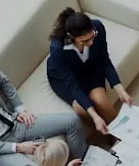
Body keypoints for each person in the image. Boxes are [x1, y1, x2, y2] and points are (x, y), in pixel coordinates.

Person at [47, 7, 133, 136]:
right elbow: (72, 86)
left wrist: (120, 89)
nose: (91, 42)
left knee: (101, 101)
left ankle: (123, 134)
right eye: (85, 41)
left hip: (90, 67)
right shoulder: (57, 49)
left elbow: (104, 59)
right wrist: (95, 116)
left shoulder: (98, 27)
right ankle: (108, 134)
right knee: (82, 110)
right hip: (65, 77)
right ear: (71, 36)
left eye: (93, 36)